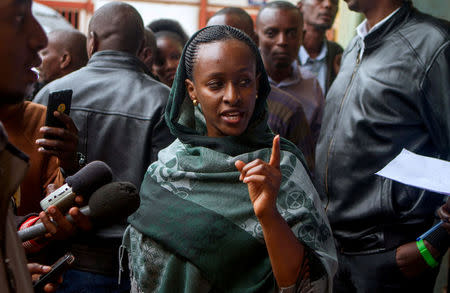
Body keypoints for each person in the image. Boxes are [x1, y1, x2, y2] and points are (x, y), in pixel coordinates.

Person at [123, 25, 337, 293]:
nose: (233, 97)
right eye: (216, 84)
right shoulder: (165, 169)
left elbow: (310, 284)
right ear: (191, 91)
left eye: (244, 82)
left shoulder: (281, 167)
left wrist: (269, 216)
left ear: (258, 84)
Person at [34, 2, 174, 292]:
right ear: (141, 46)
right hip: (133, 267)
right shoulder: (164, 101)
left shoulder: (52, 93)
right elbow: (166, 193)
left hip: (58, 265)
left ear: (92, 41)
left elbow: (32, 177)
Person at [315, 0, 450, 291]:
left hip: (391, 255)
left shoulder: (434, 43)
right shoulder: (357, 43)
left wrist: (435, 242)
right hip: (338, 249)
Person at [207, 7, 315, 172]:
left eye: (235, 39)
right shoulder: (191, 106)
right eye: (213, 40)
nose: (223, 48)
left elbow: (306, 176)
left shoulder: (286, 108)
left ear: (254, 41)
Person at [256, 1, 324, 145]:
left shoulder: (311, 85)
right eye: (271, 33)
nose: (282, 41)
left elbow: (318, 141)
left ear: (302, 36)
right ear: (257, 37)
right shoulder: (244, 83)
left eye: (292, 33)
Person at [297, 0, 343, 95]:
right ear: (300, 7)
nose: (328, 5)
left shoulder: (337, 54)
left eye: (334, 1)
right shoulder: (284, 50)